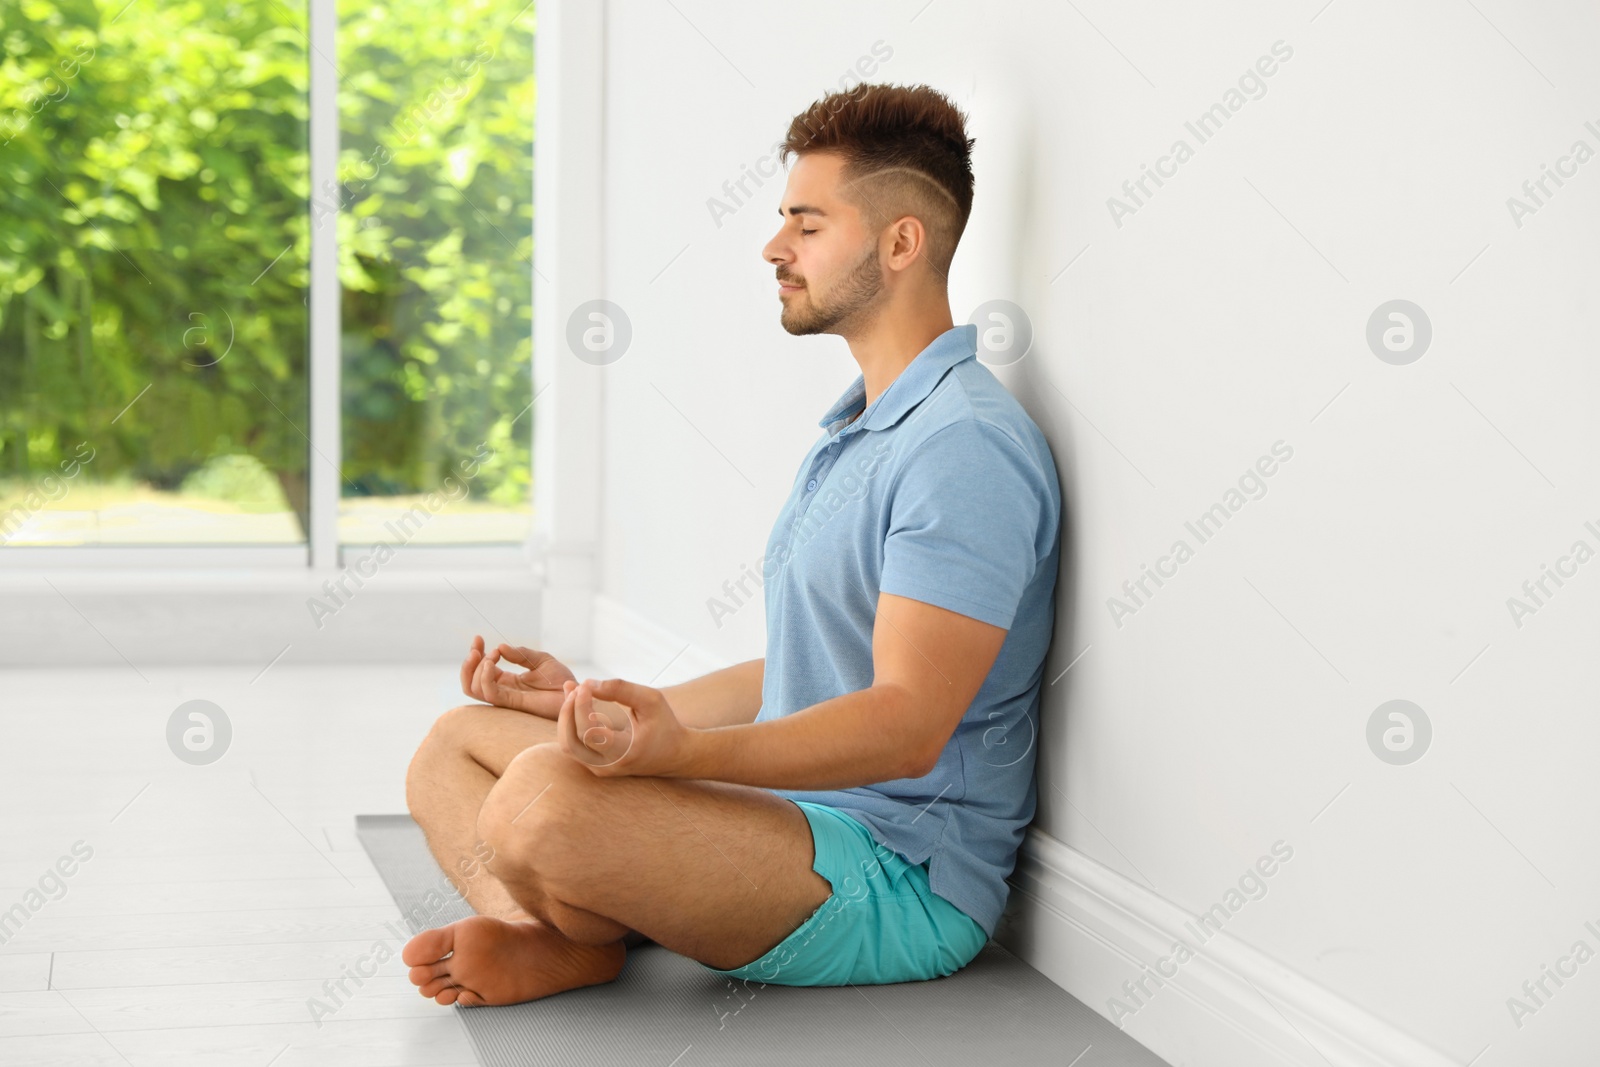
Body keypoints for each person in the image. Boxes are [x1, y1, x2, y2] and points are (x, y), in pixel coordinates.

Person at [402, 81, 1062, 1006]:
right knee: (453, 746)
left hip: (896, 874)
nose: (774, 247)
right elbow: (804, 667)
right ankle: (549, 931)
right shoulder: (861, 429)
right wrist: (609, 708)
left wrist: (675, 757)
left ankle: (577, 907)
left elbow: (909, 725)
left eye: (807, 223)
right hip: (790, 825)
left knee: (540, 798)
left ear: (901, 242)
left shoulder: (963, 448)